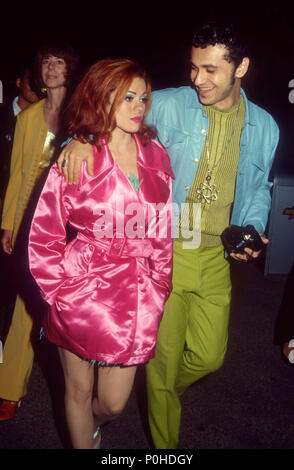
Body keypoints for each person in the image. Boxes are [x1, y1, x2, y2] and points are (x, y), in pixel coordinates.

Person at [56, 21, 279, 449]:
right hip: (164, 250)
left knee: (209, 356)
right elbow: (108, 114)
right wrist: (80, 139)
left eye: (211, 70)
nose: (198, 79)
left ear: (242, 67)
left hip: (215, 255)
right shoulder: (171, 104)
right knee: (161, 368)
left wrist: (253, 226)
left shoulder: (265, 127)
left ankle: (159, 392)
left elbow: (258, 187)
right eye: (194, 68)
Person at [28, 58, 173, 449]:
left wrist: (161, 283)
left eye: (142, 97)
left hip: (135, 292)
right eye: (126, 97)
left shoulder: (155, 152)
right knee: (76, 391)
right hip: (80, 287)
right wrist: (56, 290)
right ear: (101, 96)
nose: (138, 106)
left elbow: (163, 226)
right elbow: (45, 231)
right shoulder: (78, 154)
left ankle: (89, 428)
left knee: (112, 403)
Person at [0, 43, 79, 421]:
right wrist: (8, 224)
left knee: (71, 312)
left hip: (72, 228)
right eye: (46, 62)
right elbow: (17, 173)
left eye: (58, 62)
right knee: (24, 307)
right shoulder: (28, 117)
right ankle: (10, 390)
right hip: (30, 225)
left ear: (70, 68)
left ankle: (80, 395)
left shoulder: (84, 115)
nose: (51, 68)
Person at [0, 65, 39, 345]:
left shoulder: (44, 119)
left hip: (19, 212)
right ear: (17, 82)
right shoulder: (3, 116)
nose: (36, 85)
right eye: (30, 79)